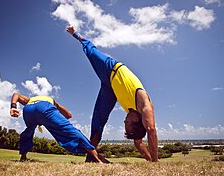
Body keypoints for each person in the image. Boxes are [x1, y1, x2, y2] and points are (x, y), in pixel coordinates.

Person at [66, 26, 158, 162]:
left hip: (110, 89)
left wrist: (150, 161)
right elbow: (150, 129)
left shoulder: (134, 116)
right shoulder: (144, 105)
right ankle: (76, 34)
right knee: (92, 52)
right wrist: (156, 161)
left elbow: (138, 142)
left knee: (98, 119)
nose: (124, 120)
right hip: (112, 69)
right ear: (137, 119)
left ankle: (90, 157)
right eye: (127, 123)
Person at [10, 93, 105, 163]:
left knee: (28, 132)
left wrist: (13, 107)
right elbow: (68, 115)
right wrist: (57, 119)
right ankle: (97, 158)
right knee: (70, 130)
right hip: (44, 108)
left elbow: (16, 95)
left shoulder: (31, 99)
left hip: (28, 110)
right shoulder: (51, 101)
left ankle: (23, 157)